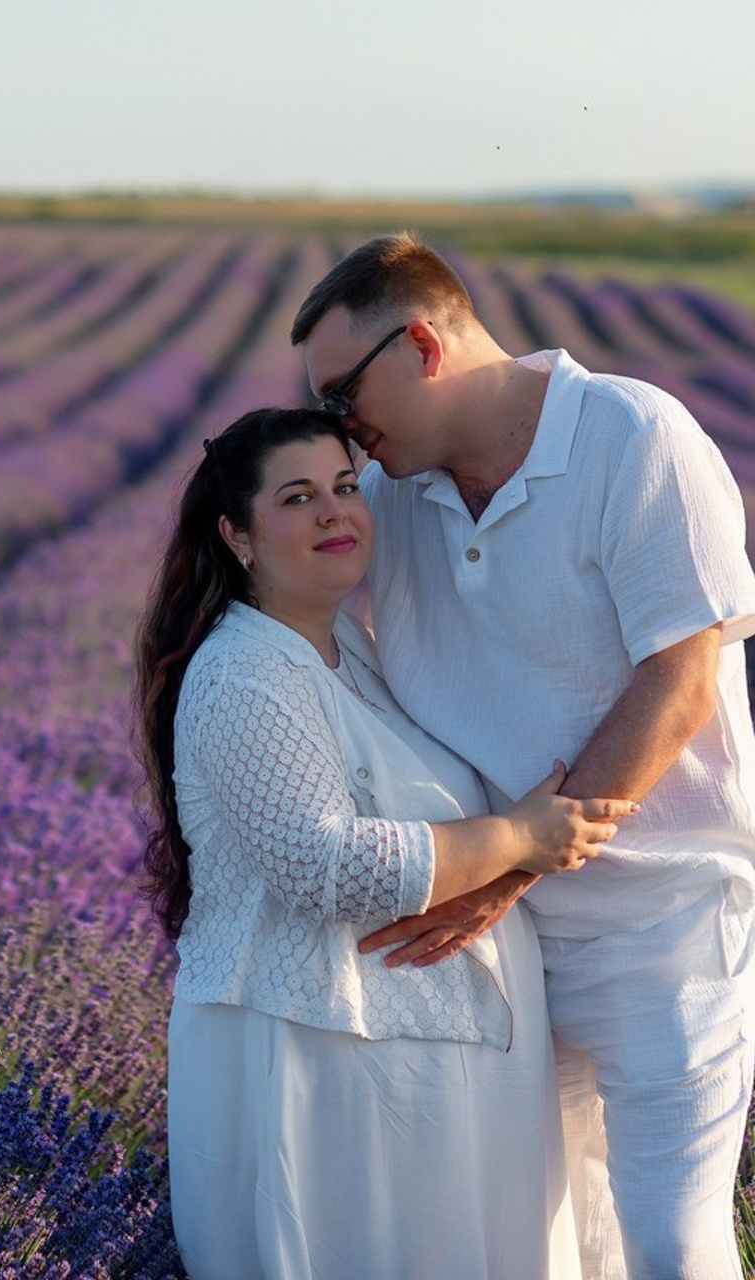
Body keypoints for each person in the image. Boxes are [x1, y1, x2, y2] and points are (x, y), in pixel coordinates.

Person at [290, 232, 755, 1280]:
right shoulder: (392, 496)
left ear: (418, 344)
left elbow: (675, 684)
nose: (340, 431)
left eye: (340, 397)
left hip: (662, 929)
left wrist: (502, 865)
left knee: (669, 1248)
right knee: (520, 1247)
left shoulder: (631, 435)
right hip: (489, 947)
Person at [135, 406, 635, 1279]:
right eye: (297, 498)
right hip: (319, 1069)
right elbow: (323, 865)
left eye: (343, 486)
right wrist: (520, 835)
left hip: (402, 1072)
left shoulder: (349, 651)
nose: (334, 512)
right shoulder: (246, 673)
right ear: (237, 536)